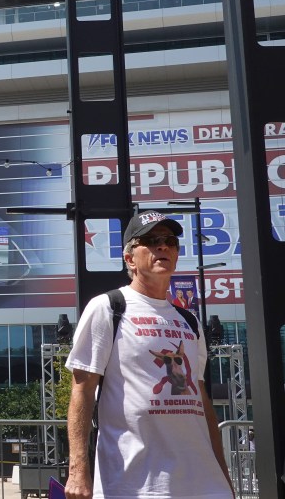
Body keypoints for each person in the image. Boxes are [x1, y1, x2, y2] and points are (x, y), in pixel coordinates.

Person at [64, 212, 233, 499]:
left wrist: (223, 475)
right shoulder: (108, 307)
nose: (163, 247)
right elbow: (81, 389)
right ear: (130, 259)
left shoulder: (189, 320)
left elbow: (202, 401)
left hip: (203, 482)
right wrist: (78, 471)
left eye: (169, 241)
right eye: (151, 241)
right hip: (135, 483)